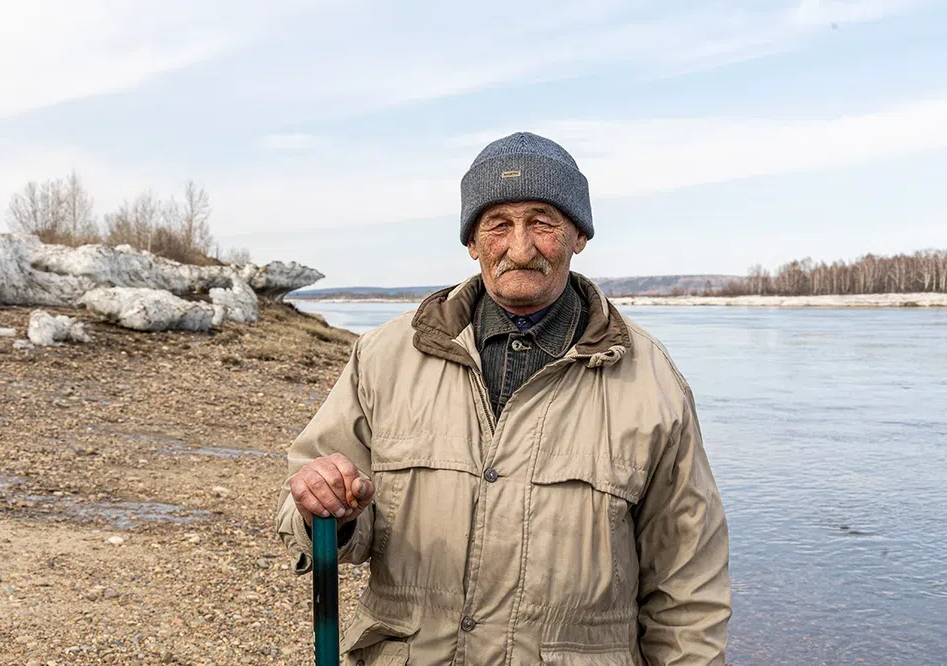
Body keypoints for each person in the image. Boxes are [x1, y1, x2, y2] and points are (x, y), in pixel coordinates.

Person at [275, 132, 731, 665]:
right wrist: (326, 510)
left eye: (542, 222)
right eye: (498, 224)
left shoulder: (651, 382)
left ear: (579, 235)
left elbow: (688, 585)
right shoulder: (384, 357)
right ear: (472, 241)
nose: (520, 248)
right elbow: (310, 515)